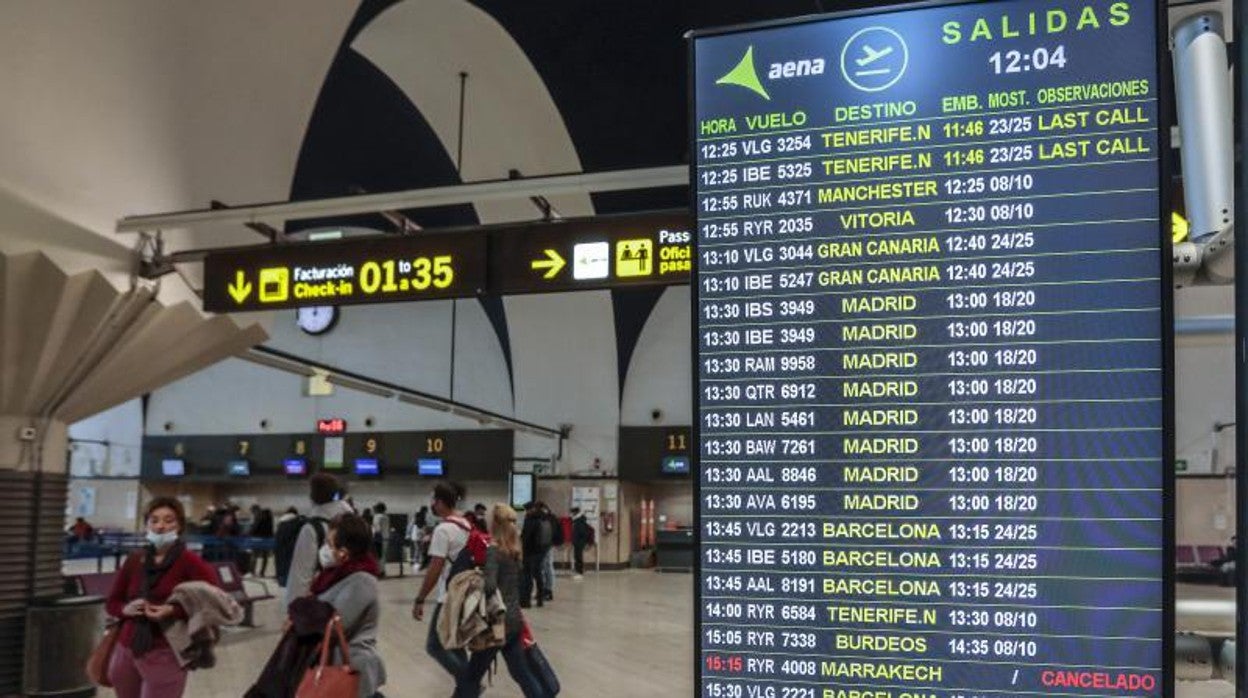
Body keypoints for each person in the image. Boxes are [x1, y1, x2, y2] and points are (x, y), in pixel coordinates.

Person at [105, 497, 220, 697]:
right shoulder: (135, 559)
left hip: (165, 650)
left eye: (169, 520)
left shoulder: (190, 562)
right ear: (147, 524)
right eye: (154, 520)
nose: (160, 526)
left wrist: (173, 610)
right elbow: (112, 602)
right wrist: (125, 609)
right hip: (127, 648)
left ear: (180, 525)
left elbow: (214, 601)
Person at [454, 504, 550, 698]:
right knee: (522, 673)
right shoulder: (515, 549)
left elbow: (490, 586)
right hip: (515, 621)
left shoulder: (494, 551)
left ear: (495, 524)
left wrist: (477, 576)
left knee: (472, 675)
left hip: (496, 624)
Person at [305, 514, 386, 698]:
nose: (324, 549)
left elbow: (333, 625)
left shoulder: (361, 580)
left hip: (352, 671)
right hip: (334, 666)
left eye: (330, 544)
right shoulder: (334, 575)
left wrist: (302, 617)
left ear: (345, 551)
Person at [411, 480, 470, 679]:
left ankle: (470, 683)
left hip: (449, 596)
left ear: (440, 502)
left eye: (433, 500)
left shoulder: (443, 530)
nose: (432, 504)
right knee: (456, 644)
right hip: (466, 591)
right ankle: (467, 689)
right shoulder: (466, 524)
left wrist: (420, 598)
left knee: (434, 646)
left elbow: (435, 568)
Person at [283, 474, 351, 607]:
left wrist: (293, 609)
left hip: (321, 599)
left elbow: (301, 574)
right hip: (347, 596)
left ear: (312, 496)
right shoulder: (350, 522)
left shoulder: (311, 528)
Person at [520, 502, 550, 608]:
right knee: (538, 575)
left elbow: (525, 537)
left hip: (530, 552)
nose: (526, 512)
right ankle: (540, 599)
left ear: (531, 509)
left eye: (527, 510)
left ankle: (525, 601)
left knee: (527, 576)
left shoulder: (530, 519)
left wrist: (521, 548)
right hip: (541, 551)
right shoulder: (544, 518)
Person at [540, 503, 562, 601]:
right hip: (547, 545)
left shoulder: (548, 519)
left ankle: (547, 589)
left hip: (546, 545)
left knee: (547, 566)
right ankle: (546, 589)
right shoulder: (552, 518)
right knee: (545, 566)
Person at [249, 508, 275, 577]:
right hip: (266, 540)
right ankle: (262, 572)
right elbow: (271, 531)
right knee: (265, 557)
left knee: (254, 555)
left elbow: (254, 529)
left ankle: (252, 572)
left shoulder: (259, 518)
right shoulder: (270, 520)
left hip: (257, 539)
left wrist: (251, 535)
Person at [571, 507, 592, 578]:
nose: (571, 514)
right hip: (578, 541)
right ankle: (579, 571)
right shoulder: (579, 520)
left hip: (579, 542)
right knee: (577, 557)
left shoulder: (579, 521)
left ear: (575, 513)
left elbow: (582, 532)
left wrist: (578, 540)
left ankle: (579, 572)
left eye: (572, 513)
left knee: (578, 557)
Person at [372, 503, 389, 576]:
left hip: (378, 538)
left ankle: (378, 571)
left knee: (378, 555)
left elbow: (377, 529)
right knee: (383, 555)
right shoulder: (386, 517)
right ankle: (383, 570)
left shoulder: (377, 517)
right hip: (386, 537)